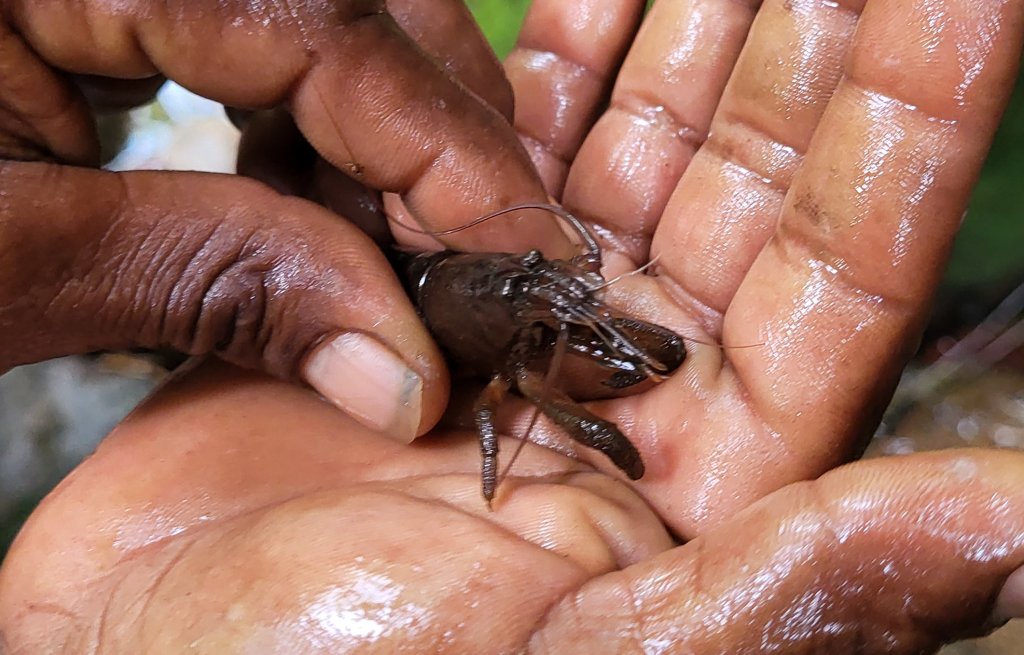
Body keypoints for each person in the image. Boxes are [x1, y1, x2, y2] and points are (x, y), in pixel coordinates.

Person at [0, 0, 1022, 651]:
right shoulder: (504, 359)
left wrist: (545, 292)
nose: (558, 292)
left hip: (461, 296)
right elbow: (511, 402)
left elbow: (594, 319)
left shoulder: (537, 290)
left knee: (559, 317)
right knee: (525, 385)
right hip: (428, 329)